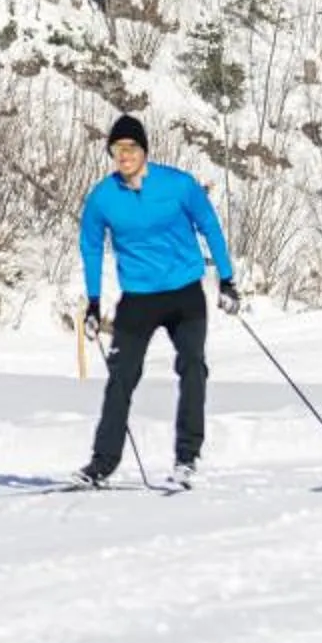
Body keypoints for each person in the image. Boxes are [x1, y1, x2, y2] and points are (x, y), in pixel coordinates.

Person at [75, 114, 240, 489]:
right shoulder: (103, 197)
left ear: (144, 150)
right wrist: (94, 303)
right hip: (139, 298)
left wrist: (227, 280)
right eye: (117, 149)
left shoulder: (178, 185)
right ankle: (101, 463)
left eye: (131, 147)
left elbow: (210, 226)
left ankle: (186, 458)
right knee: (122, 376)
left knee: (193, 366)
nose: (124, 155)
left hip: (184, 292)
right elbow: (91, 248)